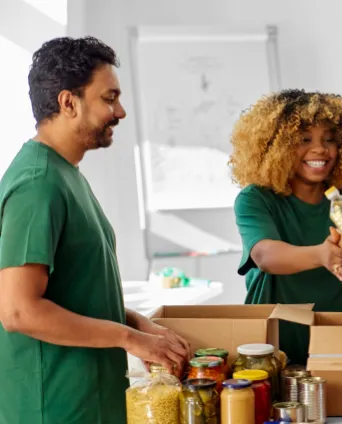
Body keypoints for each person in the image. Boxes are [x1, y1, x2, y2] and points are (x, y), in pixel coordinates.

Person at [0, 36, 191, 424]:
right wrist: (130, 338)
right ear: (68, 103)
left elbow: (73, 290)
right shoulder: (38, 183)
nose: (119, 111)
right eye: (109, 98)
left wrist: (134, 322)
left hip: (88, 401)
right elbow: (19, 310)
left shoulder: (65, 174)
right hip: (54, 407)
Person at [230, 89, 342, 365]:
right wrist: (322, 255)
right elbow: (265, 256)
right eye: (304, 139)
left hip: (340, 339)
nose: (320, 149)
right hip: (272, 345)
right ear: (276, 146)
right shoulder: (256, 199)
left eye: (330, 140)